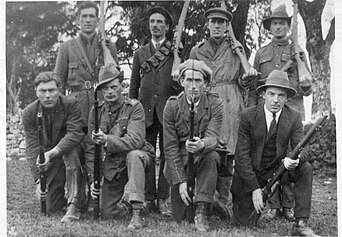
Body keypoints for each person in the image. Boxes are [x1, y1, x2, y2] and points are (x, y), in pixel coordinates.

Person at [189, 5, 258, 219]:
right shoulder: (197, 50)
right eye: (214, 22)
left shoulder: (236, 48)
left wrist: (246, 79)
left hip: (230, 101)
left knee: (228, 152)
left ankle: (223, 200)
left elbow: (242, 80)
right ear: (208, 25)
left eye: (222, 22)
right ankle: (205, 198)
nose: (217, 25)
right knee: (207, 147)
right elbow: (192, 77)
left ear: (227, 26)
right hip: (206, 99)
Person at [231, 70, 317, 236]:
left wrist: (296, 159)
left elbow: (303, 148)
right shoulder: (248, 116)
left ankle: (301, 223)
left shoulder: (294, 116)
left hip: (280, 171)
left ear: (287, 98)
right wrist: (255, 188)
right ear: (263, 94)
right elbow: (241, 156)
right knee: (244, 222)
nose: (276, 100)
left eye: (281, 95)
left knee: (305, 168)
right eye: (271, 94)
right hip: (252, 174)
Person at [55, 1, 119, 214]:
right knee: (77, 148)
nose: (89, 20)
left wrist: (104, 47)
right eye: (85, 17)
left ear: (98, 20)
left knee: (100, 149)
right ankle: (76, 199)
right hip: (76, 106)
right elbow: (59, 83)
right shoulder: (67, 47)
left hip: (102, 103)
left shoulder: (108, 45)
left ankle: (97, 194)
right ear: (78, 20)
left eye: (93, 16)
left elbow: (114, 74)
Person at [249, 5, 313, 221]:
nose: (278, 27)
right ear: (270, 27)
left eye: (282, 23)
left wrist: (300, 60)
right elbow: (254, 86)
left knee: (292, 152)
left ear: (288, 26)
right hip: (268, 109)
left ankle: (288, 206)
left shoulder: (298, 51)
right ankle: (274, 205)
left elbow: (307, 86)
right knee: (270, 152)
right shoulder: (261, 53)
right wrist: (253, 109)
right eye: (274, 23)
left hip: (292, 107)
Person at [85, 66, 155, 230]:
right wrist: (93, 179)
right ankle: (126, 206)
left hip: (139, 158)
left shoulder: (134, 107)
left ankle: (137, 212)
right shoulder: (96, 111)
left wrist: (106, 139)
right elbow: (90, 148)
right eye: (105, 88)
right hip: (113, 165)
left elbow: (135, 141)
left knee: (134, 155)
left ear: (122, 86)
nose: (109, 92)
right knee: (106, 212)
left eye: (113, 87)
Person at [163, 59, 223, 232]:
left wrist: (202, 144)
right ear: (182, 81)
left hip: (203, 156)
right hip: (181, 160)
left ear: (205, 83)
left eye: (198, 81)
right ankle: (212, 201)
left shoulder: (214, 103)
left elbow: (213, 137)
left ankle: (203, 208)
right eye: (189, 80)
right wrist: (180, 180)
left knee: (212, 156)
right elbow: (170, 147)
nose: (193, 86)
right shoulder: (172, 105)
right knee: (180, 216)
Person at [129, 6, 178, 215]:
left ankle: (163, 199)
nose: (155, 26)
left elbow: (180, 84)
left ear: (167, 27)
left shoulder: (176, 51)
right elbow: (134, 86)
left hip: (168, 111)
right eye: (152, 22)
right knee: (146, 154)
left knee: (168, 155)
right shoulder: (140, 53)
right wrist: (132, 109)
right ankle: (148, 198)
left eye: (160, 22)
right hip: (145, 112)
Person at [23, 72, 85, 223]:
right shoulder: (29, 112)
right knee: (50, 206)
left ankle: (74, 204)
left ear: (60, 90)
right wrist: (39, 181)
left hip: (72, 152)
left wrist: (52, 153)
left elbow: (75, 133)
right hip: (52, 160)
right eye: (42, 91)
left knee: (70, 152)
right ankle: (71, 196)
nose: (47, 95)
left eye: (52, 90)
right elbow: (32, 147)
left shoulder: (72, 104)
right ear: (36, 92)